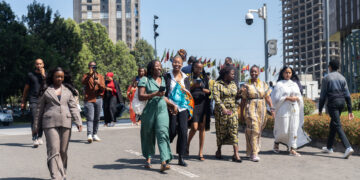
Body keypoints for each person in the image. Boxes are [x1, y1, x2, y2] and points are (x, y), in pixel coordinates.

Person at [33, 67, 82, 180]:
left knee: (63, 151)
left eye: (61, 77)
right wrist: (36, 126)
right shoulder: (46, 90)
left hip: (66, 122)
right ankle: (56, 176)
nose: (59, 78)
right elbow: (39, 110)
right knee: (54, 149)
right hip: (49, 123)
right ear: (52, 77)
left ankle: (62, 171)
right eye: (57, 76)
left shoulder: (68, 91)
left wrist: (78, 121)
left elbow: (73, 107)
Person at [138, 60, 174, 172]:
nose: (159, 68)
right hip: (149, 110)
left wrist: (172, 105)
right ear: (151, 69)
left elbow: (163, 97)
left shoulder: (163, 79)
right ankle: (148, 158)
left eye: (160, 66)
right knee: (148, 134)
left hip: (162, 109)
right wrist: (155, 94)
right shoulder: (145, 79)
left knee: (162, 133)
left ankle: (164, 161)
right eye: (156, 67)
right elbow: (140, 96)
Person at [271, 66, 311, 156]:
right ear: (282, 73)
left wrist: (296, 98)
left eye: (289, 72)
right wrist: (287, 98)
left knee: (294, 128)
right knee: (283, 129)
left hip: (294, 108)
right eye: (286, 72)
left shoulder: (294, 84)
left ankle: (292, 148)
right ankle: (276, 142)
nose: (288, 74)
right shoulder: (279, 84)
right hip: (283, 109)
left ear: (292, 73)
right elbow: (275, 98)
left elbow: (300, 96)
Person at [319, 59, 355, 159]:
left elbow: (322, 96)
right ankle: (329, 147)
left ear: (330, 67)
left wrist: (320, 109)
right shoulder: (342, 78)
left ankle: (348, 147)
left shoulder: (327, 78)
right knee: (334, 124)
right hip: (342, 103)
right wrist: (350, 111)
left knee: (337, 124)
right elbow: (347, 95)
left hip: (332, 103)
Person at [240, 65, 274, 162]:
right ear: (249, 73)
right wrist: (241, 114)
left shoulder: (264, 84)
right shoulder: (246, 85)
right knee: (254, 129)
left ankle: (250, 151)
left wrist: (272, 108)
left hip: (262, 110)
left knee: (256, 131)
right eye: (252, 72)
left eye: (255, 72)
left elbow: (268, 97)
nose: (253, 73)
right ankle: (254, 153)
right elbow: (243, 100)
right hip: (250, 108)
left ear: (259, 73)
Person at [164, 55, 193, 166]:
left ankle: (181, 157)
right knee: (171, 131)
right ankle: (166, 152)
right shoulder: (167, 76)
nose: (177, 64)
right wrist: (168, 105)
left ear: (182, 64)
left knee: (183, 131)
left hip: (183, 108)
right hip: (171, 107)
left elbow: (188, 93)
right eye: (175, 62)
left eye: (179, 63)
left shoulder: (185, 77)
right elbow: (165, 93)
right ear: (172, 63)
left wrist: (190, 109)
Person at [213, 65, 242, 163]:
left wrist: (240, 94)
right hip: (221, 112)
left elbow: (235, 97)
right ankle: (219, 150)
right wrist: (223, 109)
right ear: (226, 74)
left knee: (234, 130)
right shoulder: (217, 84)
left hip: (233, 111)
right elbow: (216, 98)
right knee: (221, 131)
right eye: (232, 74)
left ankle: (236, 154)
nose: (234, 76)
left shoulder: (234, 84)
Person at [187, 60, 211, 161]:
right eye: (197, 67)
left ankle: (200, 152)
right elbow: (186, 90)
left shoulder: (205, 78)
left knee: (202, 128)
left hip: (203, 104)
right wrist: (194, 86)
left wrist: (202, 88)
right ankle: (187, 144)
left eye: (200, 68)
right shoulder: (188, 77)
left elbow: (209, 91)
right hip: (193, 104)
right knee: (194, 127)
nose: (199, 69)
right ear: (193, 67)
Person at [21, 58, 46, 148]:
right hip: (33, 99)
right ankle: (34, 138)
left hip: (43, 99)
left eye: (40, 64)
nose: (39, 66)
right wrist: (23, 101)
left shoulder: (46, 75)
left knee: (42, 120)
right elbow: (26, 89)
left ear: (43, 64)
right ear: (35, 65)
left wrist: (43, 75)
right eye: (37, 64)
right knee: (34, 118)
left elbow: (48, 86)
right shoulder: (31, 75)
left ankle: (39, 136)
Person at [82, 61, 105, 143]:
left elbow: (103, 88)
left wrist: (98, 83)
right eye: (91, 66)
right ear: (89, 67)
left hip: (98, 99)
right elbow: (83, 82)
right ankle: (89, 134)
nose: (92, 68)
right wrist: (90, 76)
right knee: (90, 117)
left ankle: (94, 134)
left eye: (94, 66)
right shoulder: (86, 75)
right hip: (89, 99)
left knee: (97, 118)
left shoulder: (100, 76)